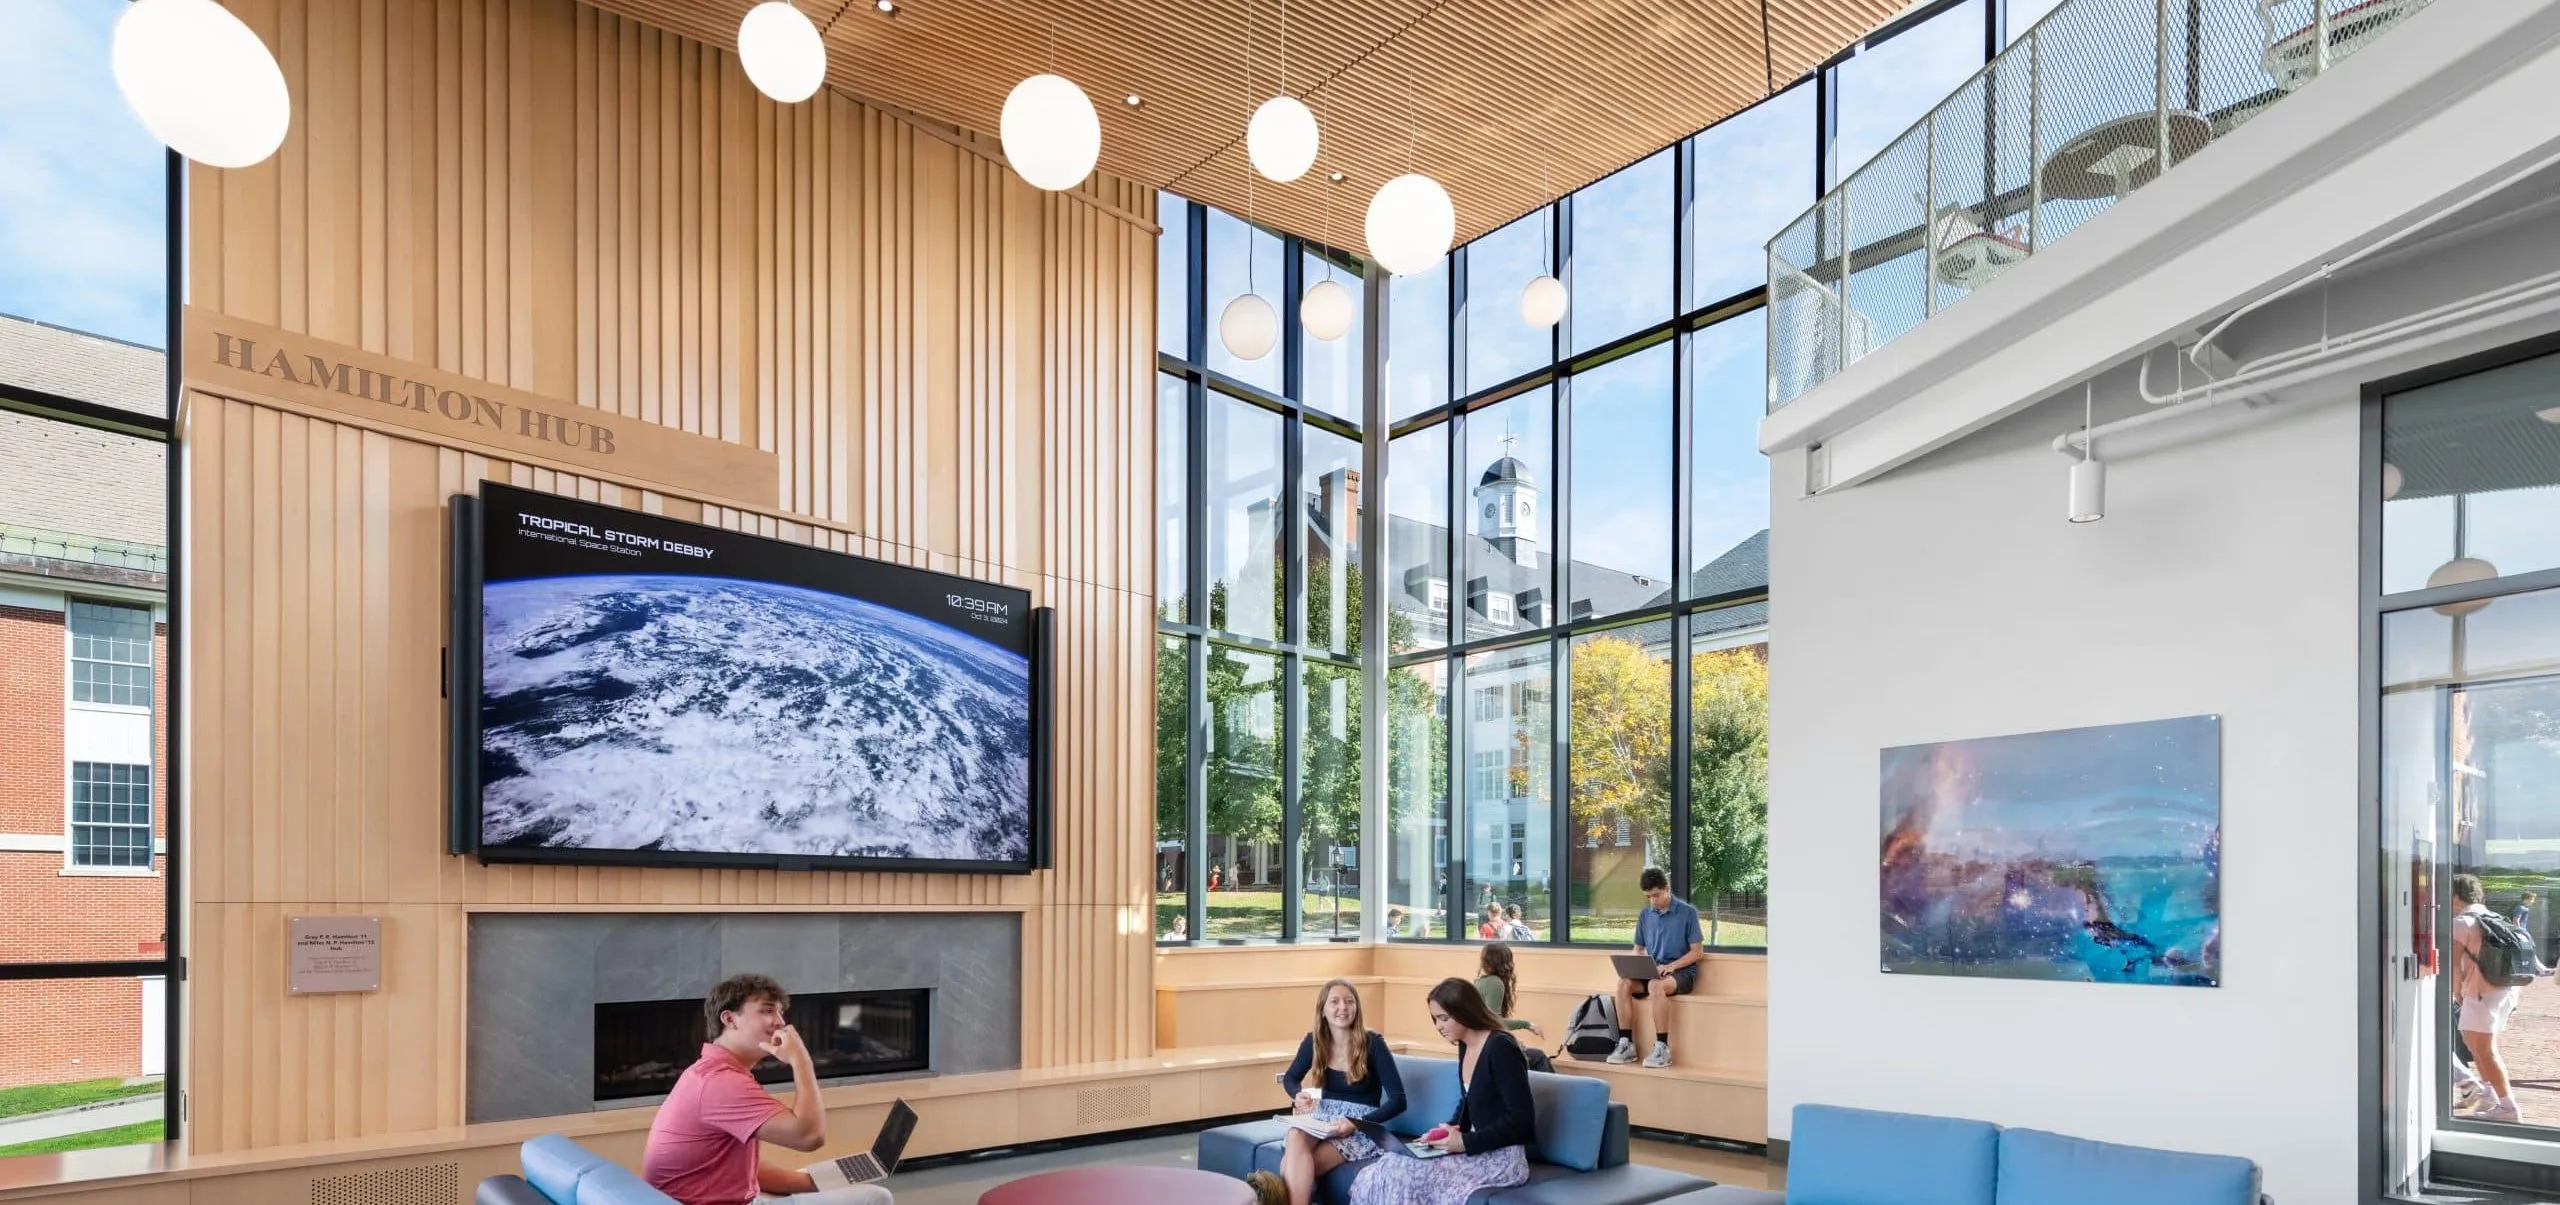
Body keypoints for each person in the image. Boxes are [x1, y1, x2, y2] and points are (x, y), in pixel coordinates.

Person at [643, 974, 891, 1205]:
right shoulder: (720, 1083)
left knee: (839, 1183)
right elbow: (809, 1136)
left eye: (780, 1012)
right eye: (767, 1010)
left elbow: (738, 1168)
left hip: (735, 1197)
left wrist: (817, 1181)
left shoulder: (711, 1072)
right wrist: (801, 1060)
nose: (781, 1022)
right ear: (730, 1019)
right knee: (876, 1198)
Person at [1345, 979, 1535, 1205]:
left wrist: (1465, 1142)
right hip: (1476, 1148)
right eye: (1435, 1019)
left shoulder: (1501, 1048)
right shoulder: (1465, 1044)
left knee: (1403, 1172)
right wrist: (1447, 1130)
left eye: (1444, 1018)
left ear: (1465, 1012)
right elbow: (1469, 1100)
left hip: (1501, 1158)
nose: (1438, 1026)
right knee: (1391, 1161)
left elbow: (1521, 1120)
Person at [1244, 980, 1407, 1205]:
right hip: (1323, 1118)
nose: (1343, 1007)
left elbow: (1399, 1101)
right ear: (1323, 1009)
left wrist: (1356, 1122)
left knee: (1292, 1166)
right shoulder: (1314, 1041)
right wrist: (1298, 1094)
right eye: (1335, 1002)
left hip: (1359, 1127)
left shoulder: (1373, 1044)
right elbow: (1291, 1078)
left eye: (1350, 1001)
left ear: (1357, 1008)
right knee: (1295, 1135)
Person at [1608, 868, 1703, 1069]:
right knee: (1623, 983)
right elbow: (1638, 948)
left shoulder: (1687, 913)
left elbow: (1696, 952)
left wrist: (1671, 966)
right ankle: (1626, 1044)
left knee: (1656, 986)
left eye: (1656, 895)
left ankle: (1662, 1048)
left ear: (1667, 889)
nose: (1653, 901)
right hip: (1653, 970)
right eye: (1648, 897)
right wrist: (1636, 966)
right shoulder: (1645, 915)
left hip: (1682, 973)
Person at [2454, 874, 2525, 1121]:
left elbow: (2453, 965)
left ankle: (2507, 1107)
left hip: (2479, 992)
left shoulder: (2462, 922)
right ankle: (2490, 1096)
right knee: (2473, 1042)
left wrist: (2456, 993)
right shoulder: (2494, 917)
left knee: (2485, 1050)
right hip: (2504, 990)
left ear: (2455, 896)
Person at [1472, 944, 1542, 1040]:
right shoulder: (1494, 983)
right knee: (1537, 1055)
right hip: (1482, 1042)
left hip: (1479, 1040)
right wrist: (1527, 1025)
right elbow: (1494, 1022)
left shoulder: (1480, 981)